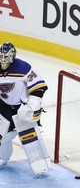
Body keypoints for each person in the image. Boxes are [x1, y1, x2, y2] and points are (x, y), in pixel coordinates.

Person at [0, 42, 51, 176]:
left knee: (30, 138)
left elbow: (39, 86)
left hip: (22, 107)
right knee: (2, 137)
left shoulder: (23, 67)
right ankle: (2, 158)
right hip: (3, 105)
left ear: (12, 57)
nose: (3, 60)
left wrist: (34, 104)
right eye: (1, 56)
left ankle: (40, 165)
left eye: (6, 57)